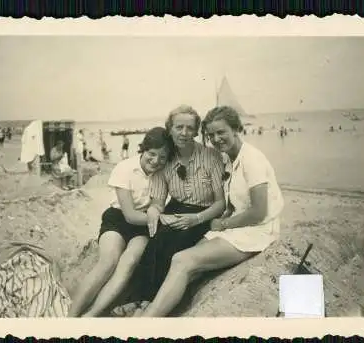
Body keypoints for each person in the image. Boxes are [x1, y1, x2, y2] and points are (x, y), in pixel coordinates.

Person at [138, 106, 284, 317]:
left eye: (221, 132)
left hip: (257, 231)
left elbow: (260, 211)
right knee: (181, 260)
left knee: (182, 260)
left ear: (236, 129)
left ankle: (148, 319)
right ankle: (155, 306)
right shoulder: (231, 158)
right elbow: (234, 201)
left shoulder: (252, 159)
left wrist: (222, 224)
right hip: (238, 225)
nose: (216, 139)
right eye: (211, 134)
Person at [68, 127, 174, 317]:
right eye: (152, 154)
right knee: (109, 261)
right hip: (119, 218)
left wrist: (156, 211)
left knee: (129, 261)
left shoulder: (163, 173)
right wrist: (164, 219)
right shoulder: (125, 168)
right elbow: (130, 216)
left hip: (144, 225)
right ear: (143, 149)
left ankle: (91, 314)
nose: (156, 161)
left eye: (163, 157)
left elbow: (158, 203)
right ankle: (70, 317)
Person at [132, 105, 226, 316]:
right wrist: (155, 212)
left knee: (176, 243)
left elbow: (220, 203)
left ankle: (157, 303)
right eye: (179, 127)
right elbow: (157, 201)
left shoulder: (211, 156)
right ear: (170, 129)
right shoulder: (165, 158)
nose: (184, 133)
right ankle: (141, 299)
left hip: (204, 211)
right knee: (155, 238)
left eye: (190, 128)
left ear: (196, 131)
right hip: (175, 208)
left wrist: (196, 219)